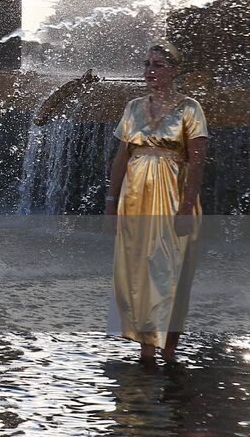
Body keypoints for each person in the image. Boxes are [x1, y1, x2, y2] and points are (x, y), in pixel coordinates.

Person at [106, 42, 209, 362]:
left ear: (174, 70)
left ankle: (168, 349)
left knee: (170, 275)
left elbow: (197, 161)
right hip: (134, 200)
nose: (150, 69)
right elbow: (121, 158)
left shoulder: (189, 108)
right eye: (147, 63)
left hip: (171, 200)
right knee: (136, 274)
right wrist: (111, 201)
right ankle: (146, 349)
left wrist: (185, 208)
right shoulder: (133, 107)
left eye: (159, 64)